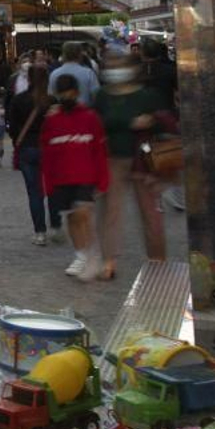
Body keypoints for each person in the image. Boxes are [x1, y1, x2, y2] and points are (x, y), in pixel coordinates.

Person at [94, 51, 169, 281]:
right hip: (112, 158)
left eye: (120, 64)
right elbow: (97, 122)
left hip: (144, 160)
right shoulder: (102, 96)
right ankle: (108, 260)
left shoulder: (148, 95)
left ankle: (157, 259)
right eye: (111, 64)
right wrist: (129, 122)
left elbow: (165, 121)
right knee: (110, 212)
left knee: (150, 211)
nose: (115, 69)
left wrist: (151, 122)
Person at [40, 75, 110, 282]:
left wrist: (102, 179)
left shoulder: (90, 118)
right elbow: (47, 153)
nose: (65, 97)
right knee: (72, 217)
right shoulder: (52, 121)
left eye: (68, 93)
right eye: (62, 94)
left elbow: (99, 149)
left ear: (76, 93)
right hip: (62, 177)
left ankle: (92, 255)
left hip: (85, 175)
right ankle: (81, 255)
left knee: (83, 213)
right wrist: (48, 183)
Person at [6, 63, 59, 246]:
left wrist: (16, 141)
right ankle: (56, 225)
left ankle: (40, 232)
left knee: (34, 191)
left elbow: (12, 126)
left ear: (28, 78)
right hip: (49, 148)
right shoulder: (51, 101)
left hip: (28, 147)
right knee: (52, 188)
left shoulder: (19, 100)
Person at [141, 38, 179, 113]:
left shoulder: (138, 71)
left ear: (142, 53)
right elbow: (177, 91)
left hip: (145, 113)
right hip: (166, 111)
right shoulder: (170, 69)